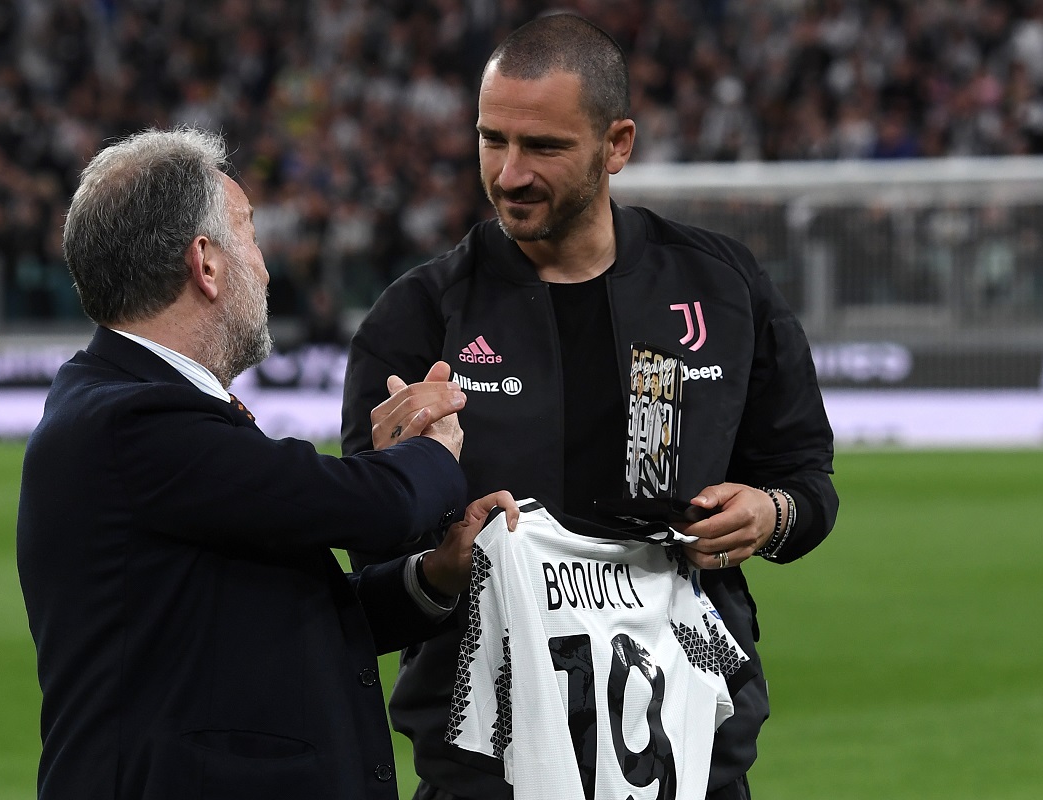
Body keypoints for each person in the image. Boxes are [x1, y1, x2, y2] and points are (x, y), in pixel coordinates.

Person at [342, 13, 838, 800]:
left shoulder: (721, 287)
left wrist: (769, 515)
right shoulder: (416, 320)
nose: (509, 174)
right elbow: (372, 582)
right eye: (492, 140)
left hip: (691, 762)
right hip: (487, 774)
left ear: (617, 145)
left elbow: (806, 481)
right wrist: (431, 552)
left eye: (543, 147)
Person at [16, 126, 519, 800]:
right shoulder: (135, 421)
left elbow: (276, 620)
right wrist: (434, 448)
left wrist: (433, 577)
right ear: (206, 263)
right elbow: (366, 503)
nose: (265, 266)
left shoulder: (122, 405)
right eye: (250, 235)